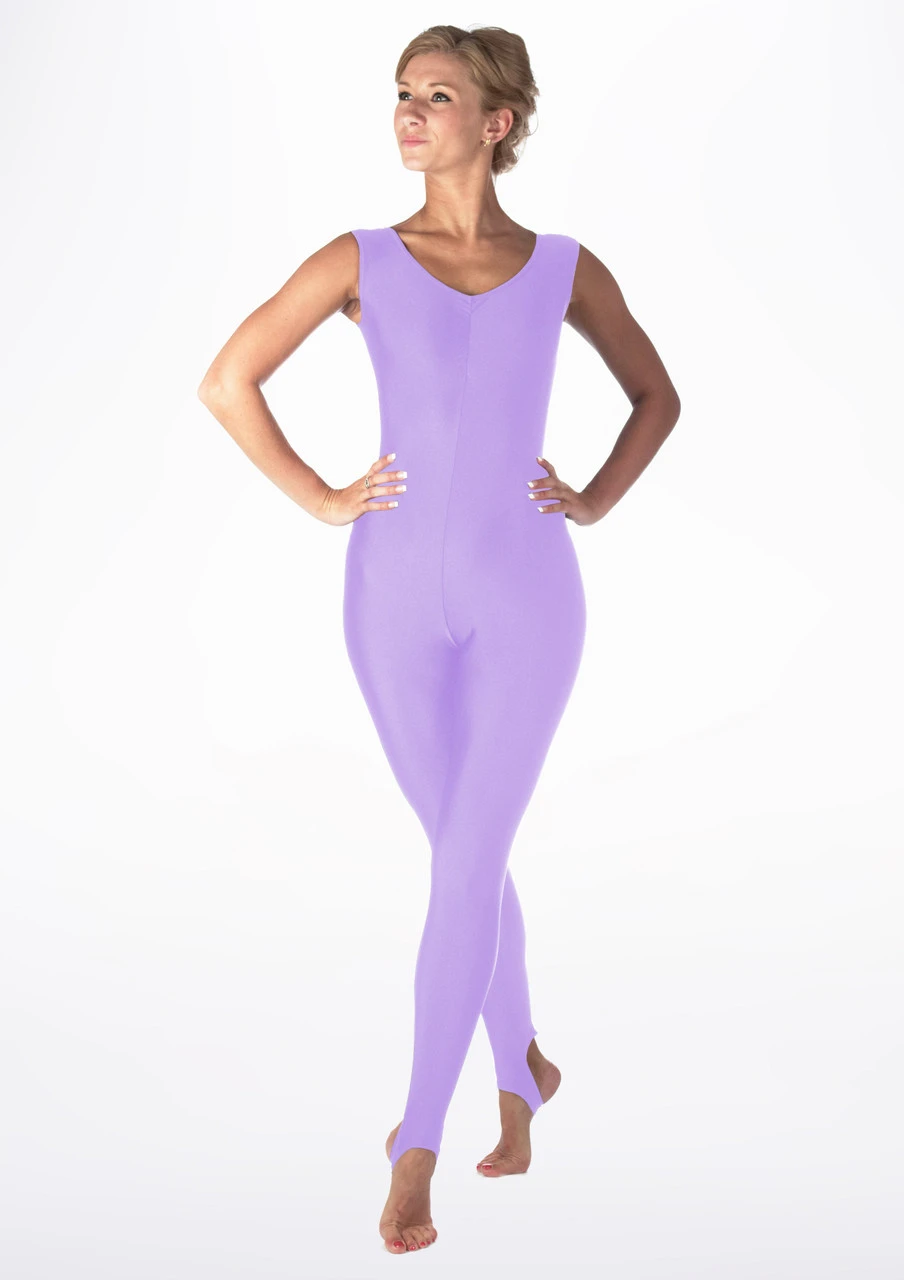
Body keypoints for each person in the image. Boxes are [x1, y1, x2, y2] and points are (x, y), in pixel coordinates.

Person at [198, 23, 680, 1257]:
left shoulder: (562, 267)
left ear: (496, 123)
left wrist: (594, 497)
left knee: (467, 859)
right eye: (402, 93)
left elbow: (656, 394)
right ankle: (521, 1067)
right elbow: (228, 378)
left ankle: (415, 1143)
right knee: (465, 852)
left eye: (438, 95)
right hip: (390, 597)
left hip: (530, 597)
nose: (410, 113)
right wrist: (319, 495)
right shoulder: (360, 258)